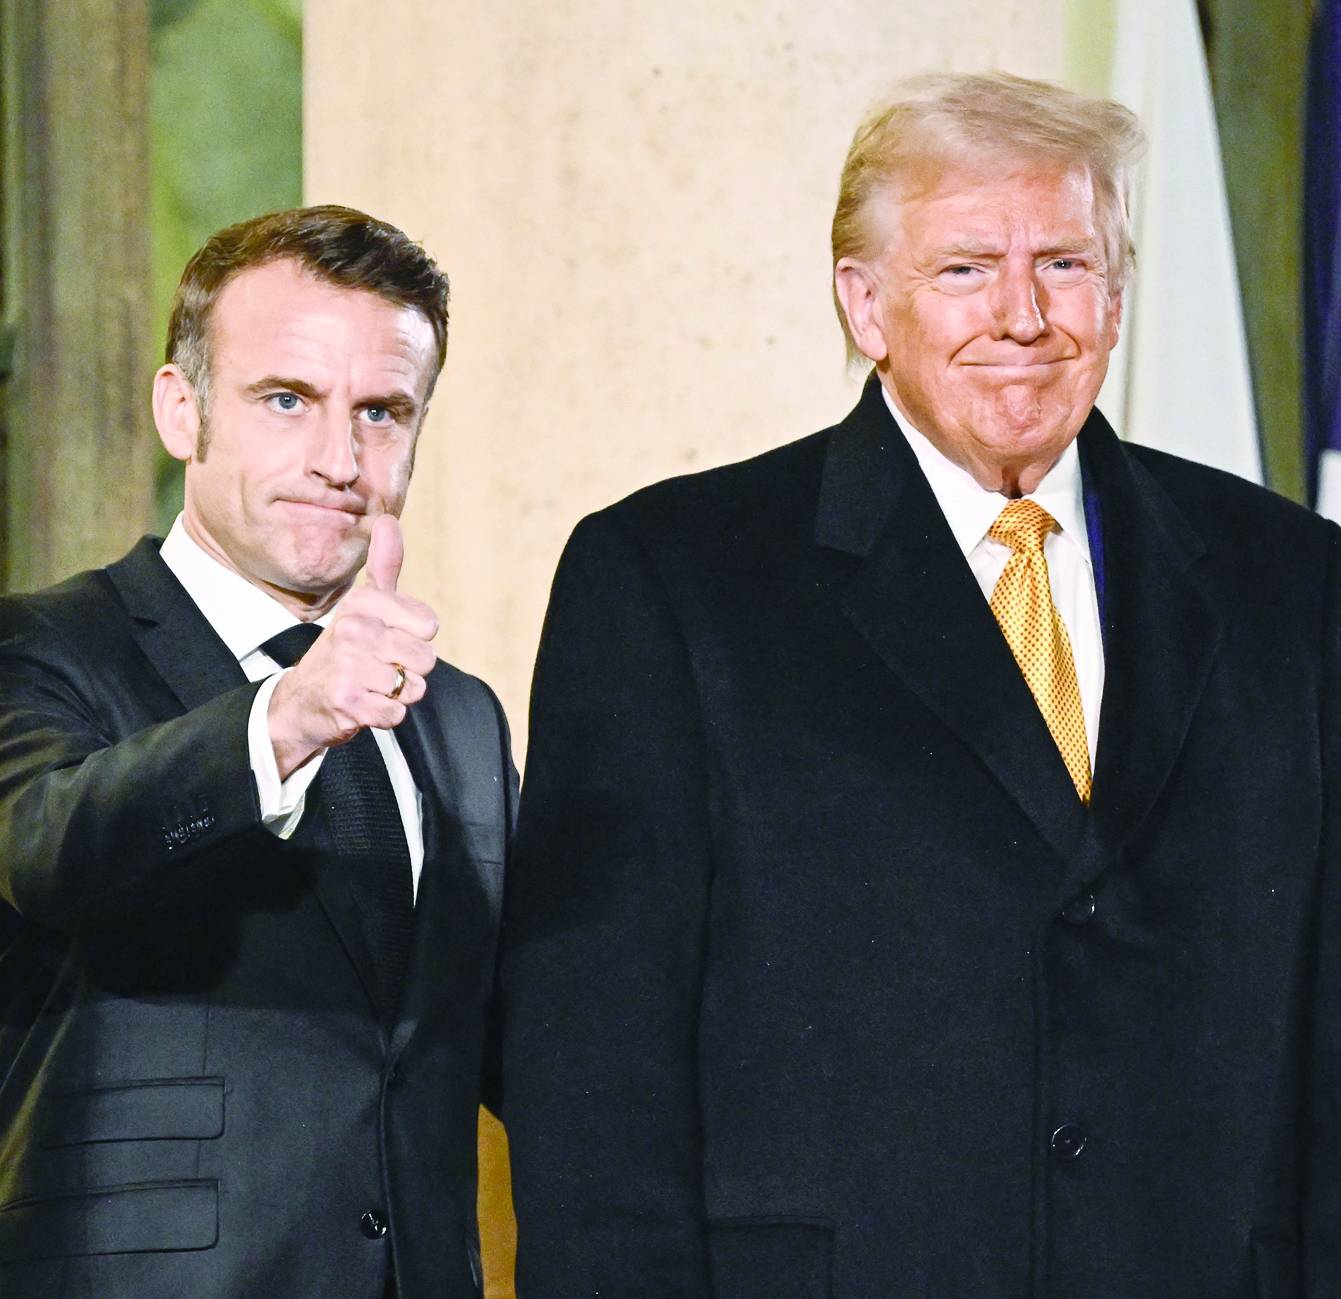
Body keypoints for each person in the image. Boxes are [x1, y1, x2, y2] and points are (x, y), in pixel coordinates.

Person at [501, 71, 1341, 1296]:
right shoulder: (672, 578)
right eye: (962, 268)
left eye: (1063, 264)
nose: (1020, 316)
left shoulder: (1292, 582)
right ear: (863, 303)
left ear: (1114, 298)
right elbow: (590, 1064)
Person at [0, 205, 514, 1298]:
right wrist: (287, 716)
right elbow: (54, 846)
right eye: (286, 400)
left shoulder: (460, 718)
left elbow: (526, 1037)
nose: (338, 460)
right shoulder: (21, 649)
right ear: (179, 409)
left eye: (380, 413)